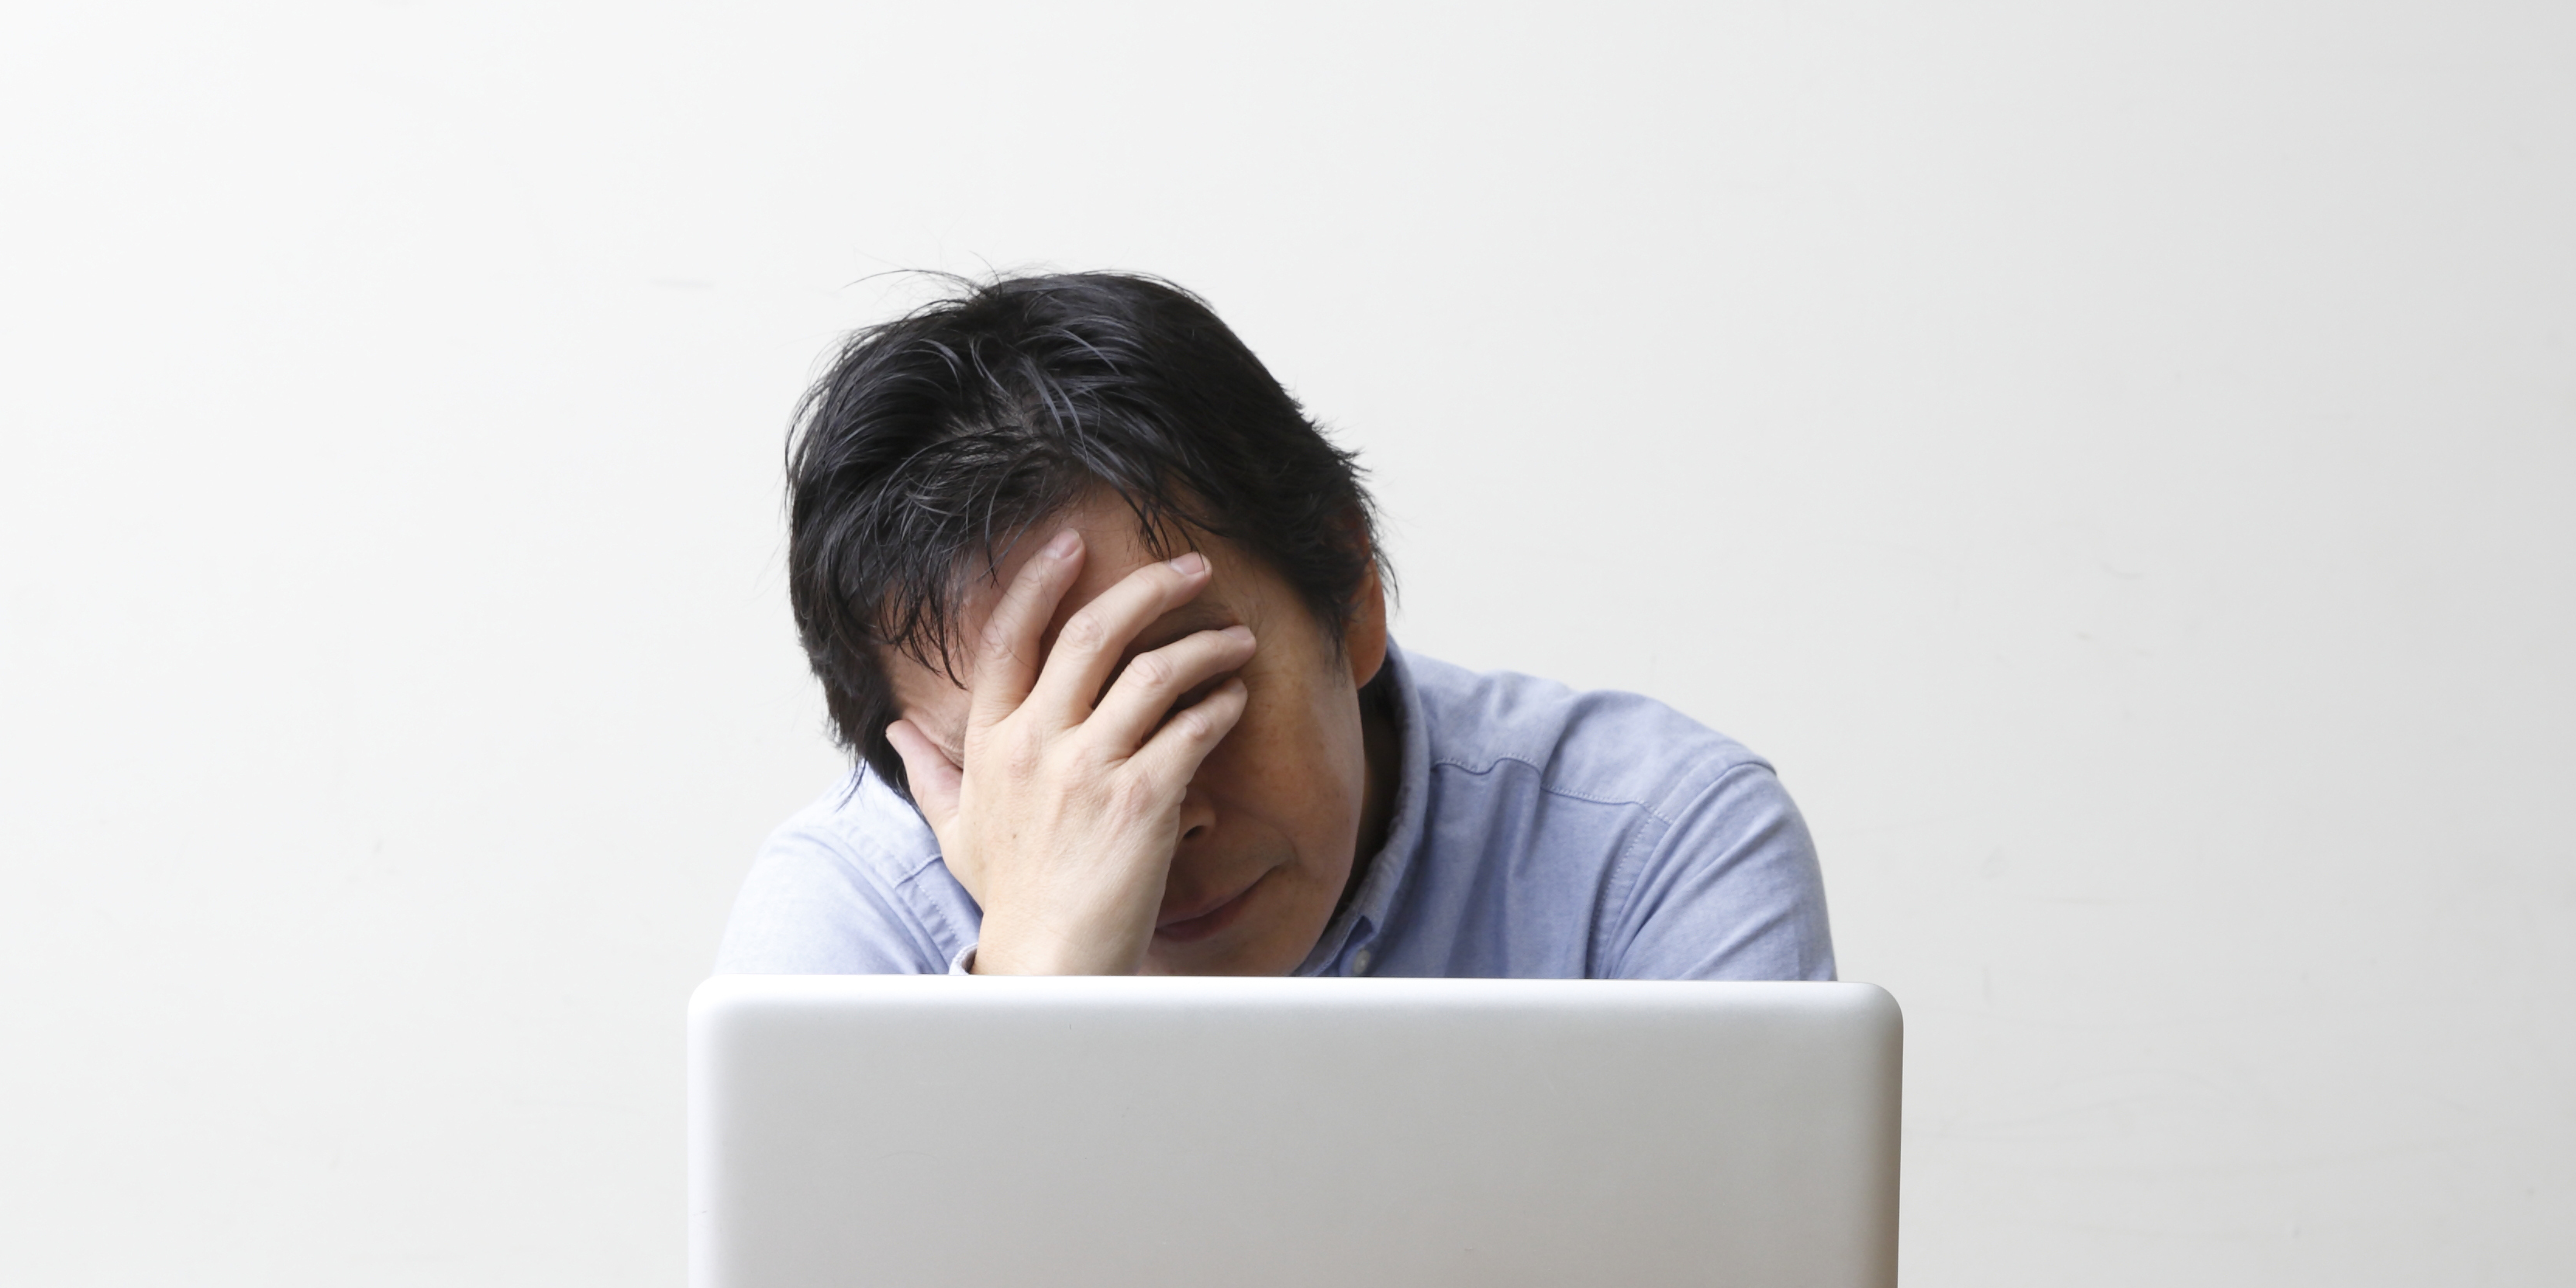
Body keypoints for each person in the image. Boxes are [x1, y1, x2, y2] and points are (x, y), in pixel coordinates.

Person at [719, 271, 1832, 980]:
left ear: (1351, 595)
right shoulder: (852, 922)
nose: (1150, 811)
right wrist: (1037, 980)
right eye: (1034, 761)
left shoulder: (1649, 845)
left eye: (1188, 697)